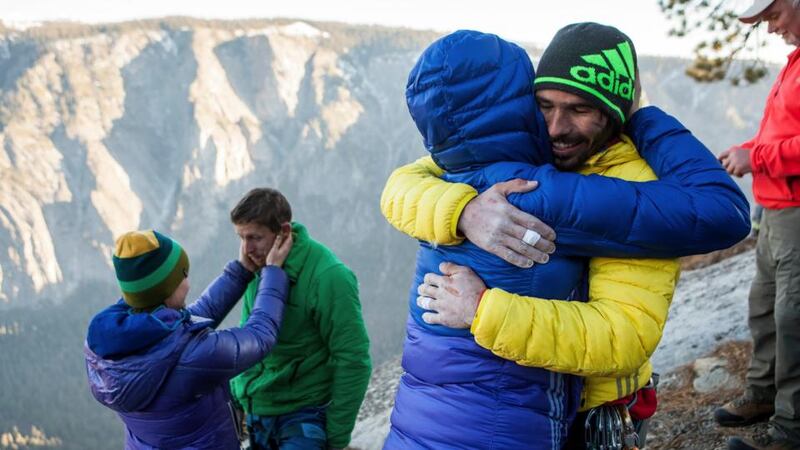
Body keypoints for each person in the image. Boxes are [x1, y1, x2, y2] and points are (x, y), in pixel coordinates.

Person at [380, 24, 752, 449]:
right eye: (544, 105)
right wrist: (461, 211)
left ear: (615, 112)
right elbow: (404, 182)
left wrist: (485, 310)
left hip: (595, 414)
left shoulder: (636, 183)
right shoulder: (528, 159)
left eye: (580, 109)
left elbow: (623, 335)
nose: (556, 128)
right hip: (527, 407)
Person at [84, 228, 292, 449]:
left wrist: (240, 272)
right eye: (183, 274)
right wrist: (273, 271)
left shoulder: (104, 348)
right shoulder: (195, 358)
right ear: (166, 288)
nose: (188, 282)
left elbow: (187, 324)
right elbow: (260, 336)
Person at [713, 1, 800, 449]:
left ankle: (790, 430)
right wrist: (745, 151)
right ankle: (764, 394)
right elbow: (779, 135)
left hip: (798, 211)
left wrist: (758, 158)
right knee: (764, 307)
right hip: (775, 208)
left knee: (793, 318)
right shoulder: (794, 62)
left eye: (773, 17)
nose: (770, 29)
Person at [228, 188, 371, 450]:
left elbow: (353, 358)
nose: (246, 249)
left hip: (303, 414)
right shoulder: (259, 269)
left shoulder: (329, 276)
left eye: (254, 238)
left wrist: (336, 439)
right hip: (259, 413)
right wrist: (239, 396)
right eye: (241, 238)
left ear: (283, 232)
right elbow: (248, 338)